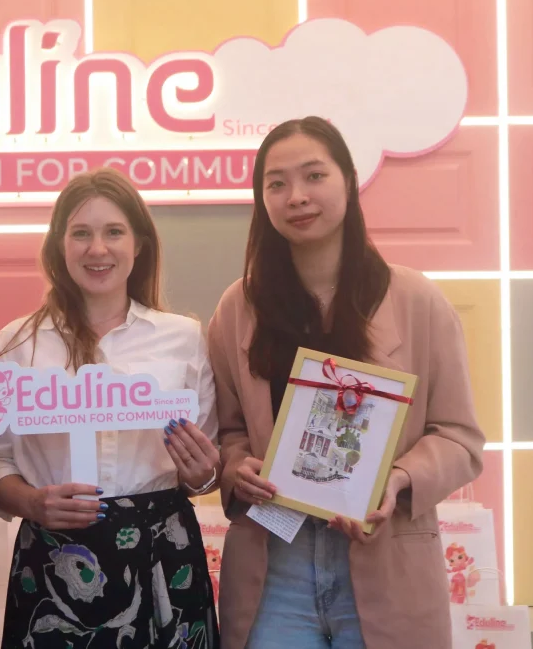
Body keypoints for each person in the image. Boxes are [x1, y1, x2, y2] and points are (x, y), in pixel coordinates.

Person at [206, 117, 485, 649]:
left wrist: (398, 479)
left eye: (314, 176)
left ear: (350, 181)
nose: (297, 196)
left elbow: (459, 437)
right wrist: (237, 466)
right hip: (276, 566)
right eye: (277, 183)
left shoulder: (417, 300)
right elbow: (228, 430)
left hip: (386, 558)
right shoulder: (238, 308)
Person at [0, 168, 221, 649]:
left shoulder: (184, 339)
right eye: (81, 234)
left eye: (113, 232)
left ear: (139, 244)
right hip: (55, 557)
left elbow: (206, 469)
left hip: (162, 554)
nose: (97, 249)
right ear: (59, 244)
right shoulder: (12, 348)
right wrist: (31, 503)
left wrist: (203, 474)